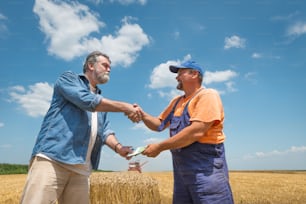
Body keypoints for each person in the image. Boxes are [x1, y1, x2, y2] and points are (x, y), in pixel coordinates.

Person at [20, 51, 141, 204]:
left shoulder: (100, 100)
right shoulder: (69, 79)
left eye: (110, 67)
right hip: (53, 160)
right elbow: (86, 100)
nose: (109, 69)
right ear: (91, 65)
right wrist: (125, 107)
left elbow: (104, 132)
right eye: (105, 65)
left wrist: (119, 148)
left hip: (81, 169)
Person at [139, 60, 234, 204]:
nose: (177, 77)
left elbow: (196, 132)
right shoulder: (176, 102)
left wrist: (159, 147)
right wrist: (142, 114)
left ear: (194, 74)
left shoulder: (208, 95)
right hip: (181, 174)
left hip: (207, 172)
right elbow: (158, 125)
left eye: (180, 73)